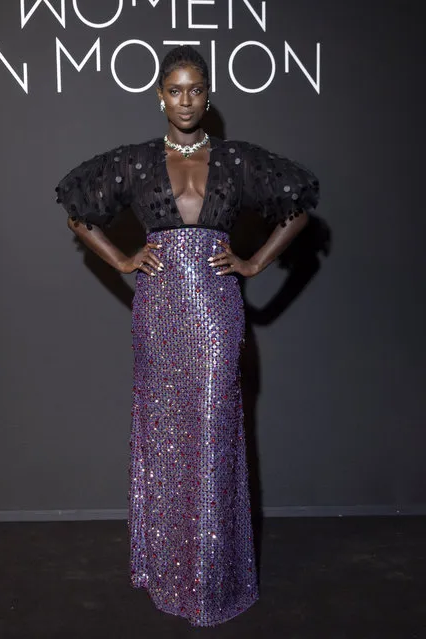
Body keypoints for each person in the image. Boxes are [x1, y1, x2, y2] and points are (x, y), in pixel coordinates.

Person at [55, 44, 320, 627]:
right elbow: (78, 207)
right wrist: (123, 260)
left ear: (209, 95)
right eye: (174, 89)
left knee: (214, 434)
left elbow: (298, 207)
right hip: (157, 309)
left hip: (218, 311)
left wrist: (251, 264)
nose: (185, 100)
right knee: (165, 436)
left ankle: (214, 574)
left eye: (195, 89)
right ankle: (167, 567)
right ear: (159, 96)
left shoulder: (236, 160)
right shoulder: (136, 161)